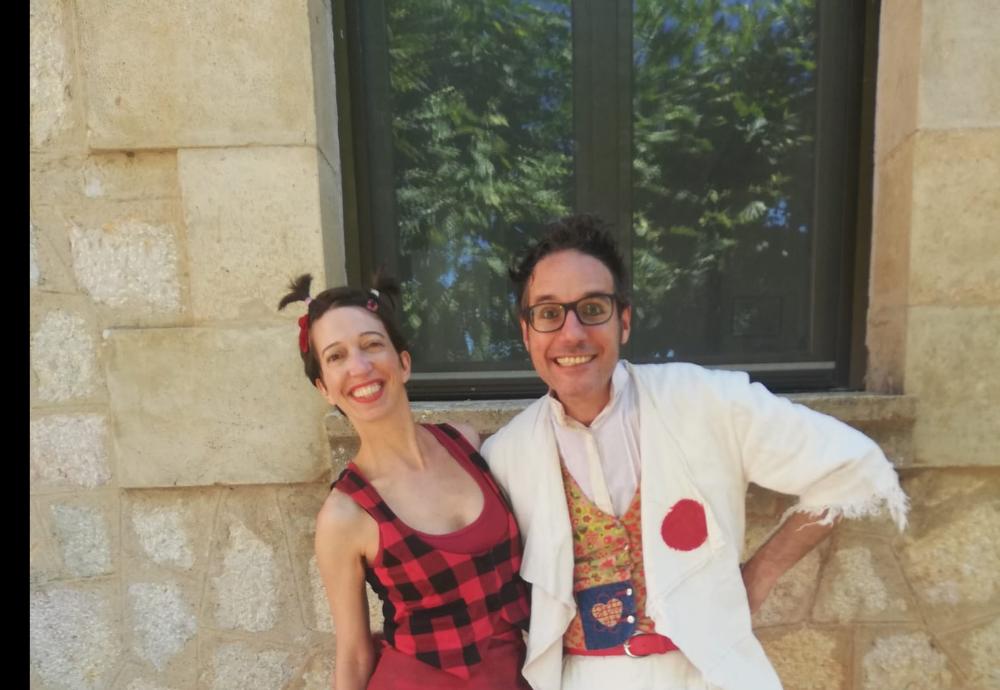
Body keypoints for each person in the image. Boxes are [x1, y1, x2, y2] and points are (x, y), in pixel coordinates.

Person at [480, 215, 908, 690]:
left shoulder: (705, 400)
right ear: (527, 333)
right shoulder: (506, 455)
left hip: (704, 675)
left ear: (624, 320)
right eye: (548, 313)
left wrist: (760, 576)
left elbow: (852, 464)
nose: (572, 333)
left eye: (593, 308)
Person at [279, 274, 531, 690]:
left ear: (404, 362)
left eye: (371, 344)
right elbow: (354, 655)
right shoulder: (345, 515)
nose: (359, 366)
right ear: (324, 388)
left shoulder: (466, 444)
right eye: (336, 356)